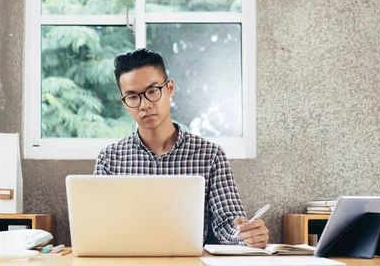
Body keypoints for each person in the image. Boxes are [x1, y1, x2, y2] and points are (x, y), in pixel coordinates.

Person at [93, 48, 269, 248]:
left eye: (152, 91)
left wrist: (245, 235)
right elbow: (99, 227)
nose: (144, 105)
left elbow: (227, 223)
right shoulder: (110, 159)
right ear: (124, 102)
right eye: (133, 97)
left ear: (170, 88)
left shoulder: (210, 155)